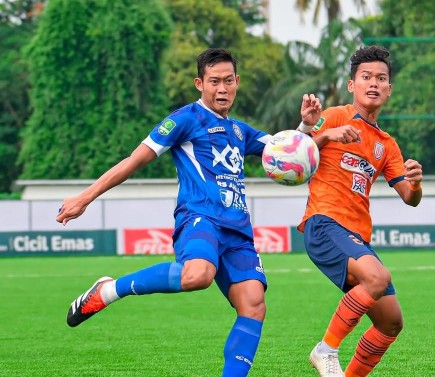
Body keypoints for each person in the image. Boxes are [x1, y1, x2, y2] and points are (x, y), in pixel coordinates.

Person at [57, 48, 321, 377]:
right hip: (201, 218)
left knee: (253, 304)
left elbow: (288, 152)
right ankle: (109, 290)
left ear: (237, 82)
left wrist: (306, 127)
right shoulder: (184, 120)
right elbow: (133, 161)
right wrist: (85, 197)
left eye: (228, 81)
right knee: (197, 275)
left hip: (238, 230)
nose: (222, 88)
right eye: (214, 82)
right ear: (200, 83)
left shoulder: (241, 131)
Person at [296, 45, 423, 377]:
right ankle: (325, 350)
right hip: (323, 222)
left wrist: (417, 183)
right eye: (366, 77)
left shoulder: (387, 144)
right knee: (378, 278)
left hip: (356, 236)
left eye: (381, 78)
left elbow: (409, 198)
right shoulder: (336, 116)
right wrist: (322, 132)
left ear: (389, 89)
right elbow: (292, 155)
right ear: (352, 84)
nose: (374, 83)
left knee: (391, 322)